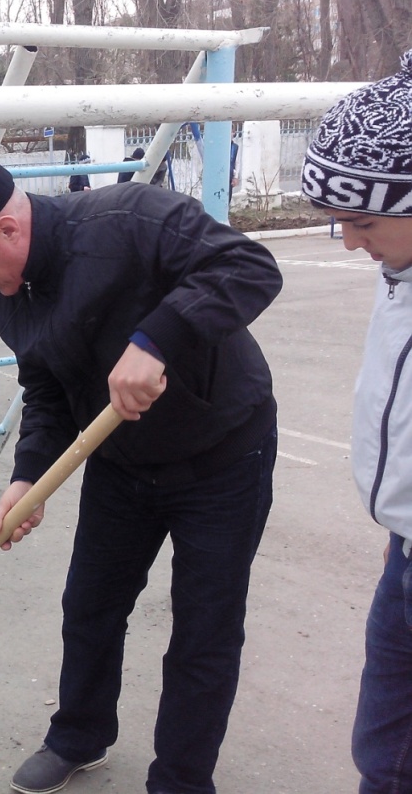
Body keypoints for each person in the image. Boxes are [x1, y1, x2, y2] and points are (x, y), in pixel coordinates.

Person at [0, 156, 282, 794]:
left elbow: (250, 267)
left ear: (7, 229)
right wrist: (29, 477)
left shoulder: (130, 217)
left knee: (204, 628)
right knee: (89, 604)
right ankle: (78, 737)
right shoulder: (13, 305)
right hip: (121, 467)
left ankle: (180, 780)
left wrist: (156, 339)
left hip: (223, 455)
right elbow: (47, 394)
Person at [301, 49, 412, 794]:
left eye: (361, 219)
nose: (347, 241)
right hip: (404, 549)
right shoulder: (397, 267)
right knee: (382, 749)